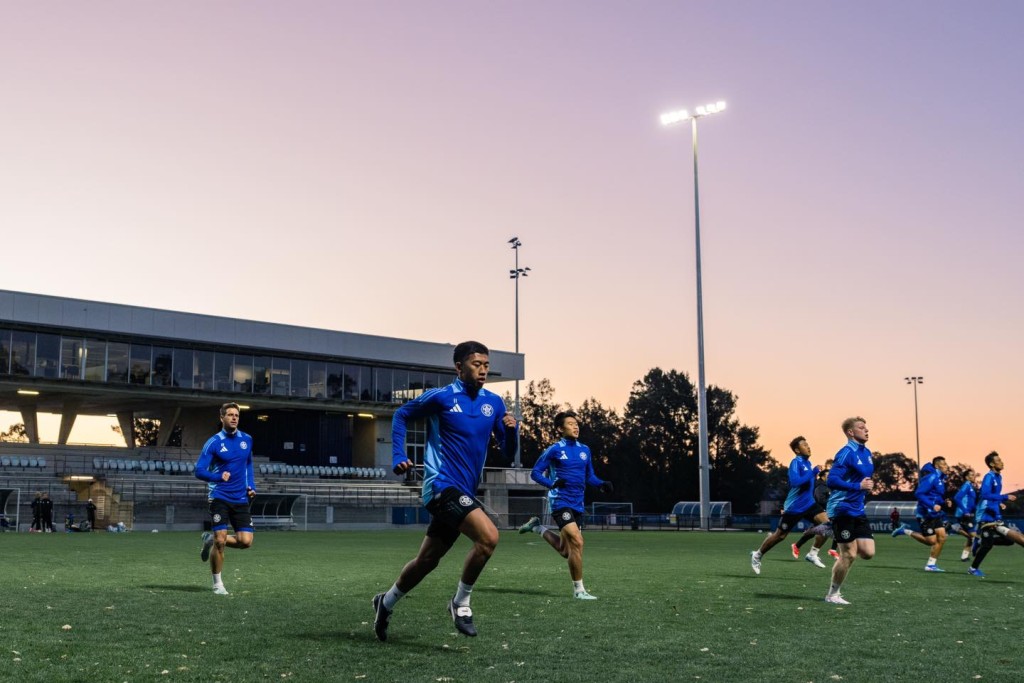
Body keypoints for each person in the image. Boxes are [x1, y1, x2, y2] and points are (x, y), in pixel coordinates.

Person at [372, 341, 517, 642]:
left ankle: (384, 603)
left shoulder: (495, 403)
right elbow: (401, 415)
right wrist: (398, 455)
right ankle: (460, 602)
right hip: (440, 485)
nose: (483, 370)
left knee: (426, 561)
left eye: (486, 365)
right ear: (459, 367)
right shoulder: (441, 398)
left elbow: (507, 453)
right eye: (476, 364)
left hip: (464, 492)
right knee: (489, 537)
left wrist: (513, 431)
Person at [518, 410, 613, 599]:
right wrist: (551, 484)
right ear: (560, 429)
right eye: (570, 424)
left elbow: (589, 476)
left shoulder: (585, 449)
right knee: (577, 541)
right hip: (560, 501)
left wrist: (601, 484)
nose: (576, 426)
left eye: (576, 423)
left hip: (578, 504)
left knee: (565, 551)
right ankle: (579, 591)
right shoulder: (554, 450)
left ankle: (537, 527)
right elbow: (536, 472)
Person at [193, 402, 256, 595]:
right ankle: (217, 584)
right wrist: (217, 477)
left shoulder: (247, 439)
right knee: (221, 541)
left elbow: (248, 465)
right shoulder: (213, 443)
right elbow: (199, 470)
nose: (234, 417)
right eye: (230, 415)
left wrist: (251, 486)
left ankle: (209, 539)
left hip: (240, 498)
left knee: (245, 542)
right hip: (219, 495)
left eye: (236, 414)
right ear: (222, 418)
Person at [751, 436, 830, 574]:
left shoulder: (807, 463)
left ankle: (812, 554)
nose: (808, 446)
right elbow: (795, 482)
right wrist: (813, 473)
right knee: (780, 536)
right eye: (804, 445)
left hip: (809, 504)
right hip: (794, 507)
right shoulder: (796, 462)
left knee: (828, 526)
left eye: (808, 444)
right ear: (797, 450)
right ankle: (757, 555)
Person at [824, 416, 874, 605]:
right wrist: (857, 486)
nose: (867, 430)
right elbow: (831, 481)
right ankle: (832, 594)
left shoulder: (867, 452)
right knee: (849, 554)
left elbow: (863, 479)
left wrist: (868, 485)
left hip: (858, 509)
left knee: (868, 553)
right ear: (851, 432)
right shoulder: (845, 453)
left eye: (866, 427)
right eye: (862, 427)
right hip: (841, 508)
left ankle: (831, 532)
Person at [968, 452, 1024, 577]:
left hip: (994, 515)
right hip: (985, 516)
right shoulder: (989, 477)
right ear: (992, 464)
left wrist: (999, 502)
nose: (1002, 462)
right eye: (998, 460)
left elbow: (992, 497)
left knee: (1008, 542)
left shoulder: (998, 477)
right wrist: (1004, 497)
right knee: (990, 545)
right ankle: (972, 568)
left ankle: (980, 541)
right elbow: (984, 495)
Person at [892, 457, 950, 571]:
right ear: (937, 466)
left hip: (935, 514)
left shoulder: (940, 479)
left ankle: (931, 565)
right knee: (931, 541)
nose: (946, 466)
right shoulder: (931, 477)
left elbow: (935, 496)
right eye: (944, 464)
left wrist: (944, 502)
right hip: (925, 514)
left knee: (942, 537)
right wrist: (932, 506)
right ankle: (905, 531)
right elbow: (919, 493)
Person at [791, 459, 840, 561]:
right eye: (828, 475)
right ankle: (831, 550)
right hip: (819, 511)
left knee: (820, 530)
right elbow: (820, 499)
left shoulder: (827, 486)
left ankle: (798, 546)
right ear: (822, 476)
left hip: (823, 511)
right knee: (833, 528)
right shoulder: (820, 486)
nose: (829, 476)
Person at [951, 470, 980, 561]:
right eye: (971, 475)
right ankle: (955, 528)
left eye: (974, 475)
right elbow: (957, 497)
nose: (974, 476)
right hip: (964, 514)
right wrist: (965, 511)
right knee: (974, 536)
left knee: (972, 537)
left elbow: (971, 502)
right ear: (966, 477)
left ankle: (964, 556)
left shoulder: (971, 486)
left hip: (969, 514)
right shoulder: (966, 485)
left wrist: (976, 509)